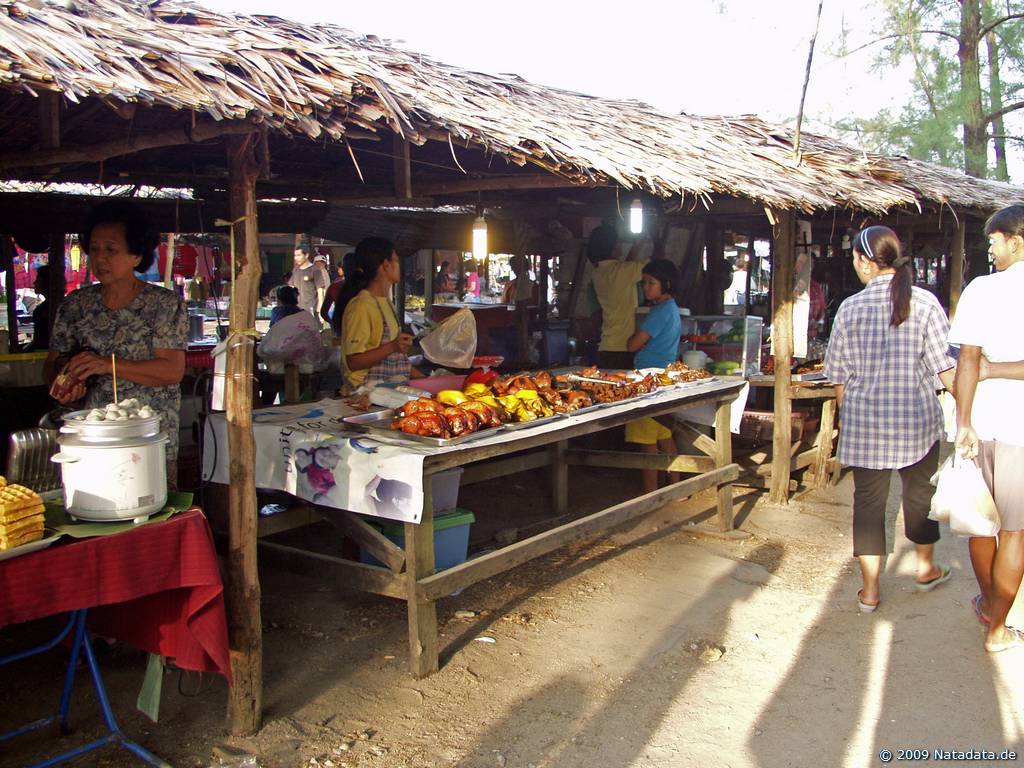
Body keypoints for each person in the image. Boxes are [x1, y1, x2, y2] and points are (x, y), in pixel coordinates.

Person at [823, 226, 956, 614]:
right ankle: (926, 568)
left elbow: (838, 376)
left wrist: (849, 418)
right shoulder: (926, 303)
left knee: (868, 505)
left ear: (866, 261)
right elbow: (946, 369)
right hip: (918, 422)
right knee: (920, 497)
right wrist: (968, 413)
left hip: (865, 424)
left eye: (854, 259)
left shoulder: (849, 308)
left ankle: (870, 591)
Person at [44, 200, 187, 483]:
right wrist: (64, 385)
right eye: (95, 249)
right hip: (91, 438)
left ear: (136, 255)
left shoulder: (163, 305)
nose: (100, 258)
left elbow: (171, 371)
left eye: (111, 249)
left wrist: (106, 365)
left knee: (148, 503)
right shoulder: (75, 305)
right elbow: (51, 366)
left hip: (147, 438)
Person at [948, 203, 1024, 652]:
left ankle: (989, 604)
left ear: (1016, 240)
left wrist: (963, 422)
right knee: (1015, 531)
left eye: (995, 241)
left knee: (981, 526)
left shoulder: (980, 289)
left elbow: (968, 361)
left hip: (983, 421)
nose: (990, 249)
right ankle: (998, 629)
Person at [625, 259, 683, 493]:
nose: (646, 288)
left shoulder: (660, 313)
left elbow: (633, 345)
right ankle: (676, 487)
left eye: (651, 283)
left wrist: (630, 339)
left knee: (647, 443)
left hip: (648, 381)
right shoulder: (671, 308)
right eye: (644, 283)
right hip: (663, 378)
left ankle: (651, 493)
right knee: (665, 436)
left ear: (666, 284)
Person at [338, 237, 422, 392]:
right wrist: (393, 346)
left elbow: (395, 359)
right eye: (396, 260)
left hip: (388, 392)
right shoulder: (362, 305)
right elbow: (353, 361)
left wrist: (427, 380)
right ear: (385, 265)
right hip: (363, 394)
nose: (399, 266)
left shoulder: (386, 303)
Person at [587, 223, 648, 370]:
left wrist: (636, 246)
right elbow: (657, 266)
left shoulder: (598, 273)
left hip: (606, 347)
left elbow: (623, 269)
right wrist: (657, 239)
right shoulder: (624, 271)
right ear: (614, 246)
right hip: (626, 347)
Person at [288, 245, 328, 322]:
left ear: (306, 255)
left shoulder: (315, 270)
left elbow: (320, 293)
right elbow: (291, 288)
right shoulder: (295, 270)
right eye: (295, 255)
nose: (296, 258)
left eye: (299, 255)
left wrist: (320, 311)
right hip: (296, 310)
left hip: (310, 310)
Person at [25, 265, 53, 351]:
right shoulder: (43, 307)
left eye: (38, 280)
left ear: (46, 282)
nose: (34, 283)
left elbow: (42, 340)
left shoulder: (47, 308)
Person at [320, 256, 348, 336]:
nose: (338, 270)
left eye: (340, 268)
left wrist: (333, 323)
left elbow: (324, 312)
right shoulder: (365, 285)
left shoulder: (335, 286)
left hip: (340, 326)